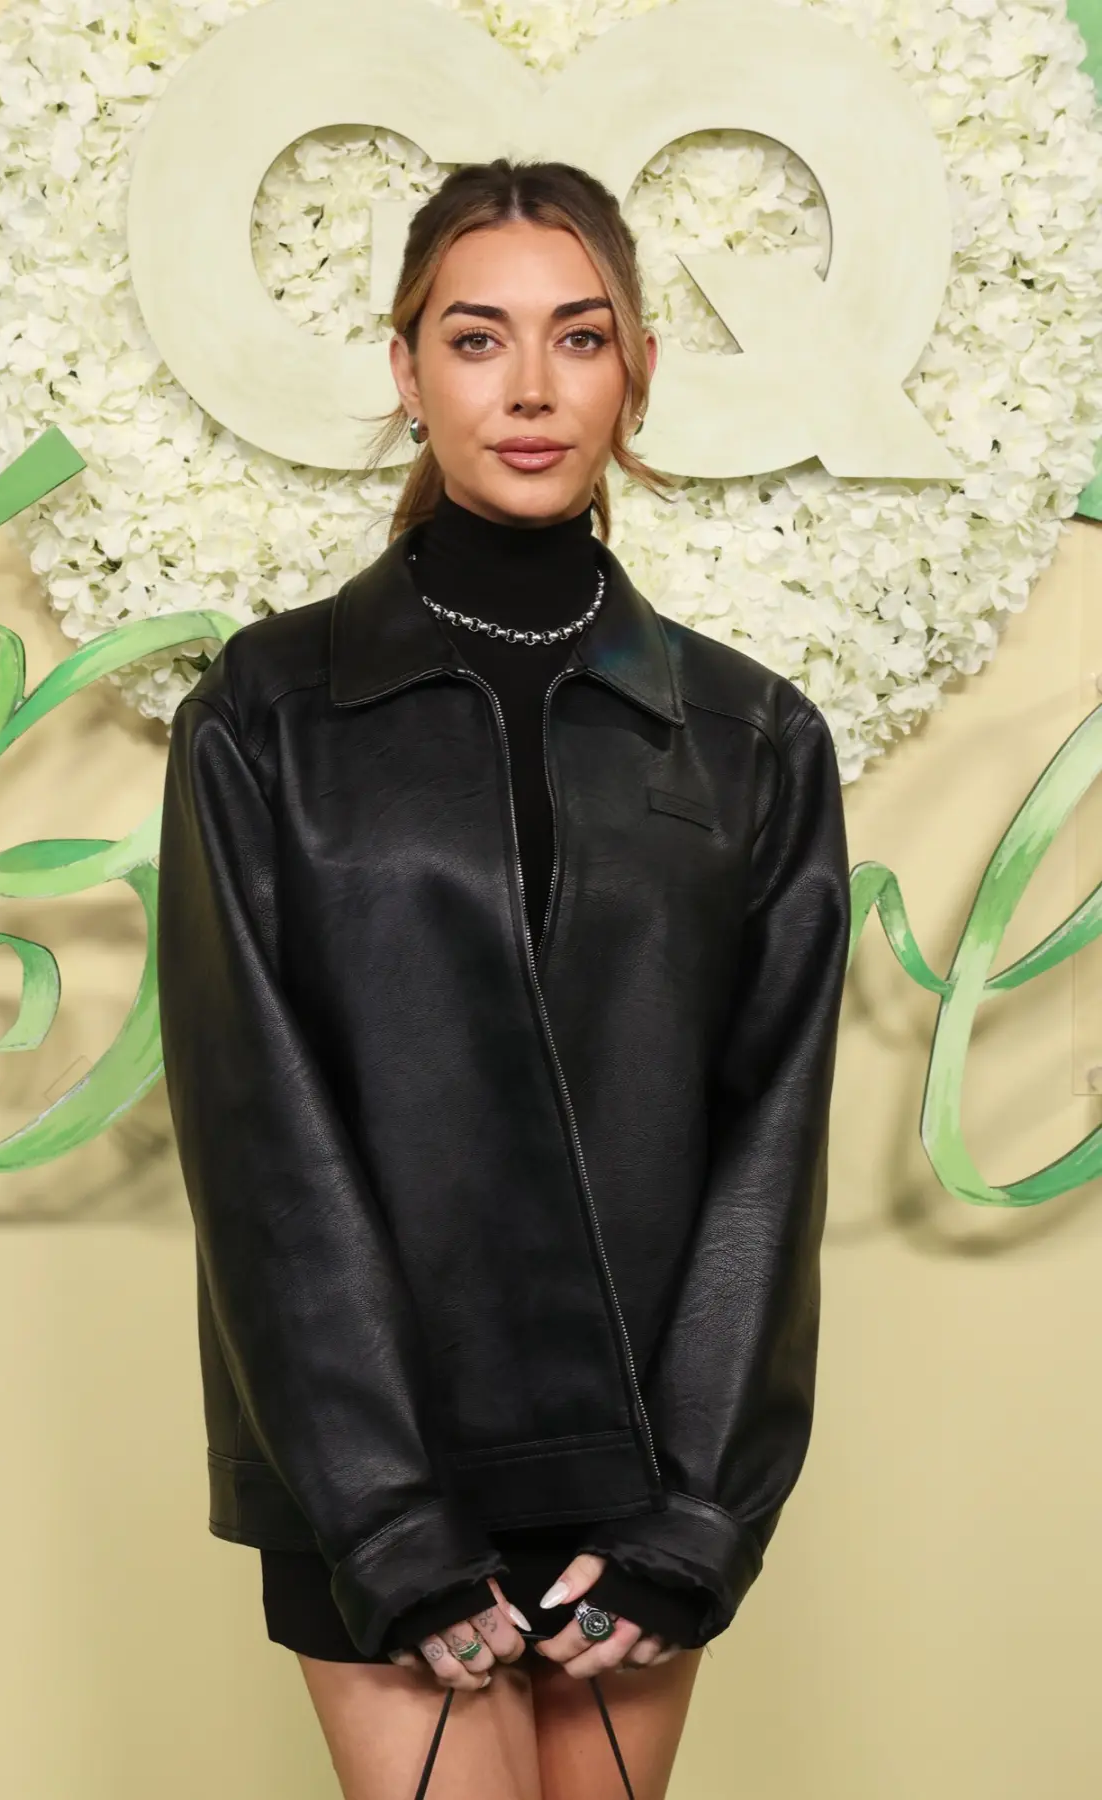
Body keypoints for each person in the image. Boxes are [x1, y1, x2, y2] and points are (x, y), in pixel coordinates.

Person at [156, 157, 851, 1800]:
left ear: (638, 370)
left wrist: (700, 1510)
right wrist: (385, 1518)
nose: (531, 388)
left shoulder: (753, 735)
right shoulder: (265, 713)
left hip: (639, 1468)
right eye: (477, 338)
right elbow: (256, 1134)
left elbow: (772, 1146)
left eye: (579, 337)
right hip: (372, 1459)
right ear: (406, 371)